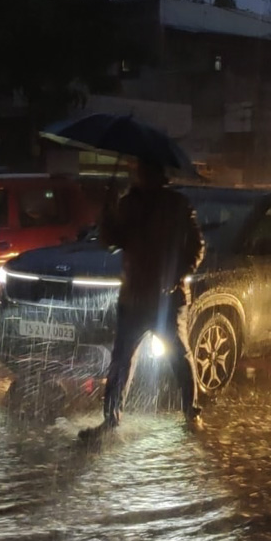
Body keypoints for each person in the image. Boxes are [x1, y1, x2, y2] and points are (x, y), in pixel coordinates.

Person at [80, 159, 204, 439]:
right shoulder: (129, 204)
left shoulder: (177, 205)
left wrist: (177, 275)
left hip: (167, 298)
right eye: (140, 171)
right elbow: (111, 241)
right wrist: (108, 212)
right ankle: (110, 420)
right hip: (134, 297)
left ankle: (191, 411)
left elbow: (197, 247)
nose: (140, 175)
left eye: (145, 171)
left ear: (157, 174)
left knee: (178, 356)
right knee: (121, 359)